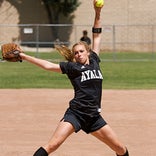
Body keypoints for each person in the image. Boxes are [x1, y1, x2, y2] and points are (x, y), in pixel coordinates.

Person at [19, 1, 129, 156]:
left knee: (120, 148)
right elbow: (48, 66)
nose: (78, 54)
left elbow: (96, 34)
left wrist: (97, 11)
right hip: (76, 114)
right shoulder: (72, 67)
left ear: (88, 52)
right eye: (76, 52)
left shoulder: (95, 60)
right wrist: (24, 56)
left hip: (94, 116)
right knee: (53, 144)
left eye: (81, 51)